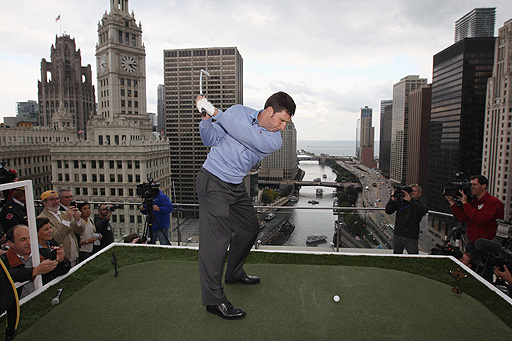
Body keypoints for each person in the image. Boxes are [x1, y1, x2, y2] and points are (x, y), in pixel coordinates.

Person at [195, 91, 296, 319]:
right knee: (217, 241)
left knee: (249, 228)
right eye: (282, 121)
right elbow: (210, 140)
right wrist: (206, 118)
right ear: (269, 111)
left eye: (286, 124)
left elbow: (247, 136)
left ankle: (234, 273)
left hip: (235, 185)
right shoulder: (238, 112)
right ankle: (214, 300)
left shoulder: (273, 140)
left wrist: (216, 112)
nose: (283, 127)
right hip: (213, 180)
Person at [0, 225, 70, 298]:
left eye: (30, 238)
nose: (29, 242)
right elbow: (9, 275)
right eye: (23, 239)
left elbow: (62, 271)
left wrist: (61, 260)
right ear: (11, 243)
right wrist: (35, 271)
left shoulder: (44, 253)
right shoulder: (3, 262)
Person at [445, 175, 504, 255]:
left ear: (484, 186)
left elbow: (480, 218)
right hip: (472, 244)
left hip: (486, 246)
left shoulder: (493, 203)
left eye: (475, 184)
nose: (471, 187)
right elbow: (463, 217)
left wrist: (465, 204)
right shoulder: (474, 202)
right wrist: (452, 202)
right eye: (470, 184)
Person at [37, 190, 83, 266]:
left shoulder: (64, 213)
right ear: (44, 203)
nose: (56, 202)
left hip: (74, 256)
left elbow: (79, 231)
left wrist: (78, 220)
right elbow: (55, 239)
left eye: (57, 199)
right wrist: (67, 219)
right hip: (61, 259)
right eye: (51, 199)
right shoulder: (42, 218)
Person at [385, 184, 428, 254]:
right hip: (398, 235)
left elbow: (423, 210)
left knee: (413, 257)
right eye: (411, 191)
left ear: (419, 194)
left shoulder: (419, 204)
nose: (412, 193)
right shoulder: (401, 203)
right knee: (397, 256)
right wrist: (393, 199)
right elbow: (388, 211)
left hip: (411, 237)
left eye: (415, 191)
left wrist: (410, 201)